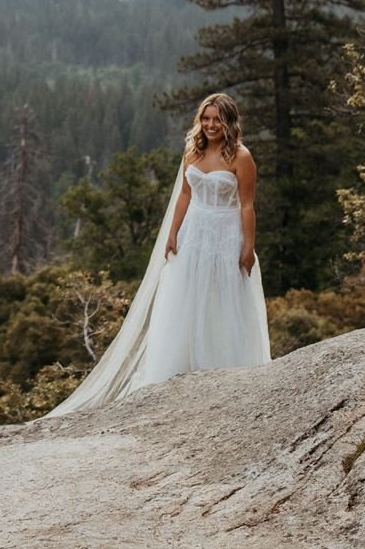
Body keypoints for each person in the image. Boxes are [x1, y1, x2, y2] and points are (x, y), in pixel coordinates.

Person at [48, 93, 271, 416]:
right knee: (186, 296)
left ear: (229, 122)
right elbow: (183, 195)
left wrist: (248, 247)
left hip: (226, 233)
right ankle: (180, 368)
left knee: (223, 297)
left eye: (216, 119)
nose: (210, 125)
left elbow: (248, 205)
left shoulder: (241, 157)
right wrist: (172, 234)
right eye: (205, 118)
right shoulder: (192, 151)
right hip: (193, 232)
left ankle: (226, 369)